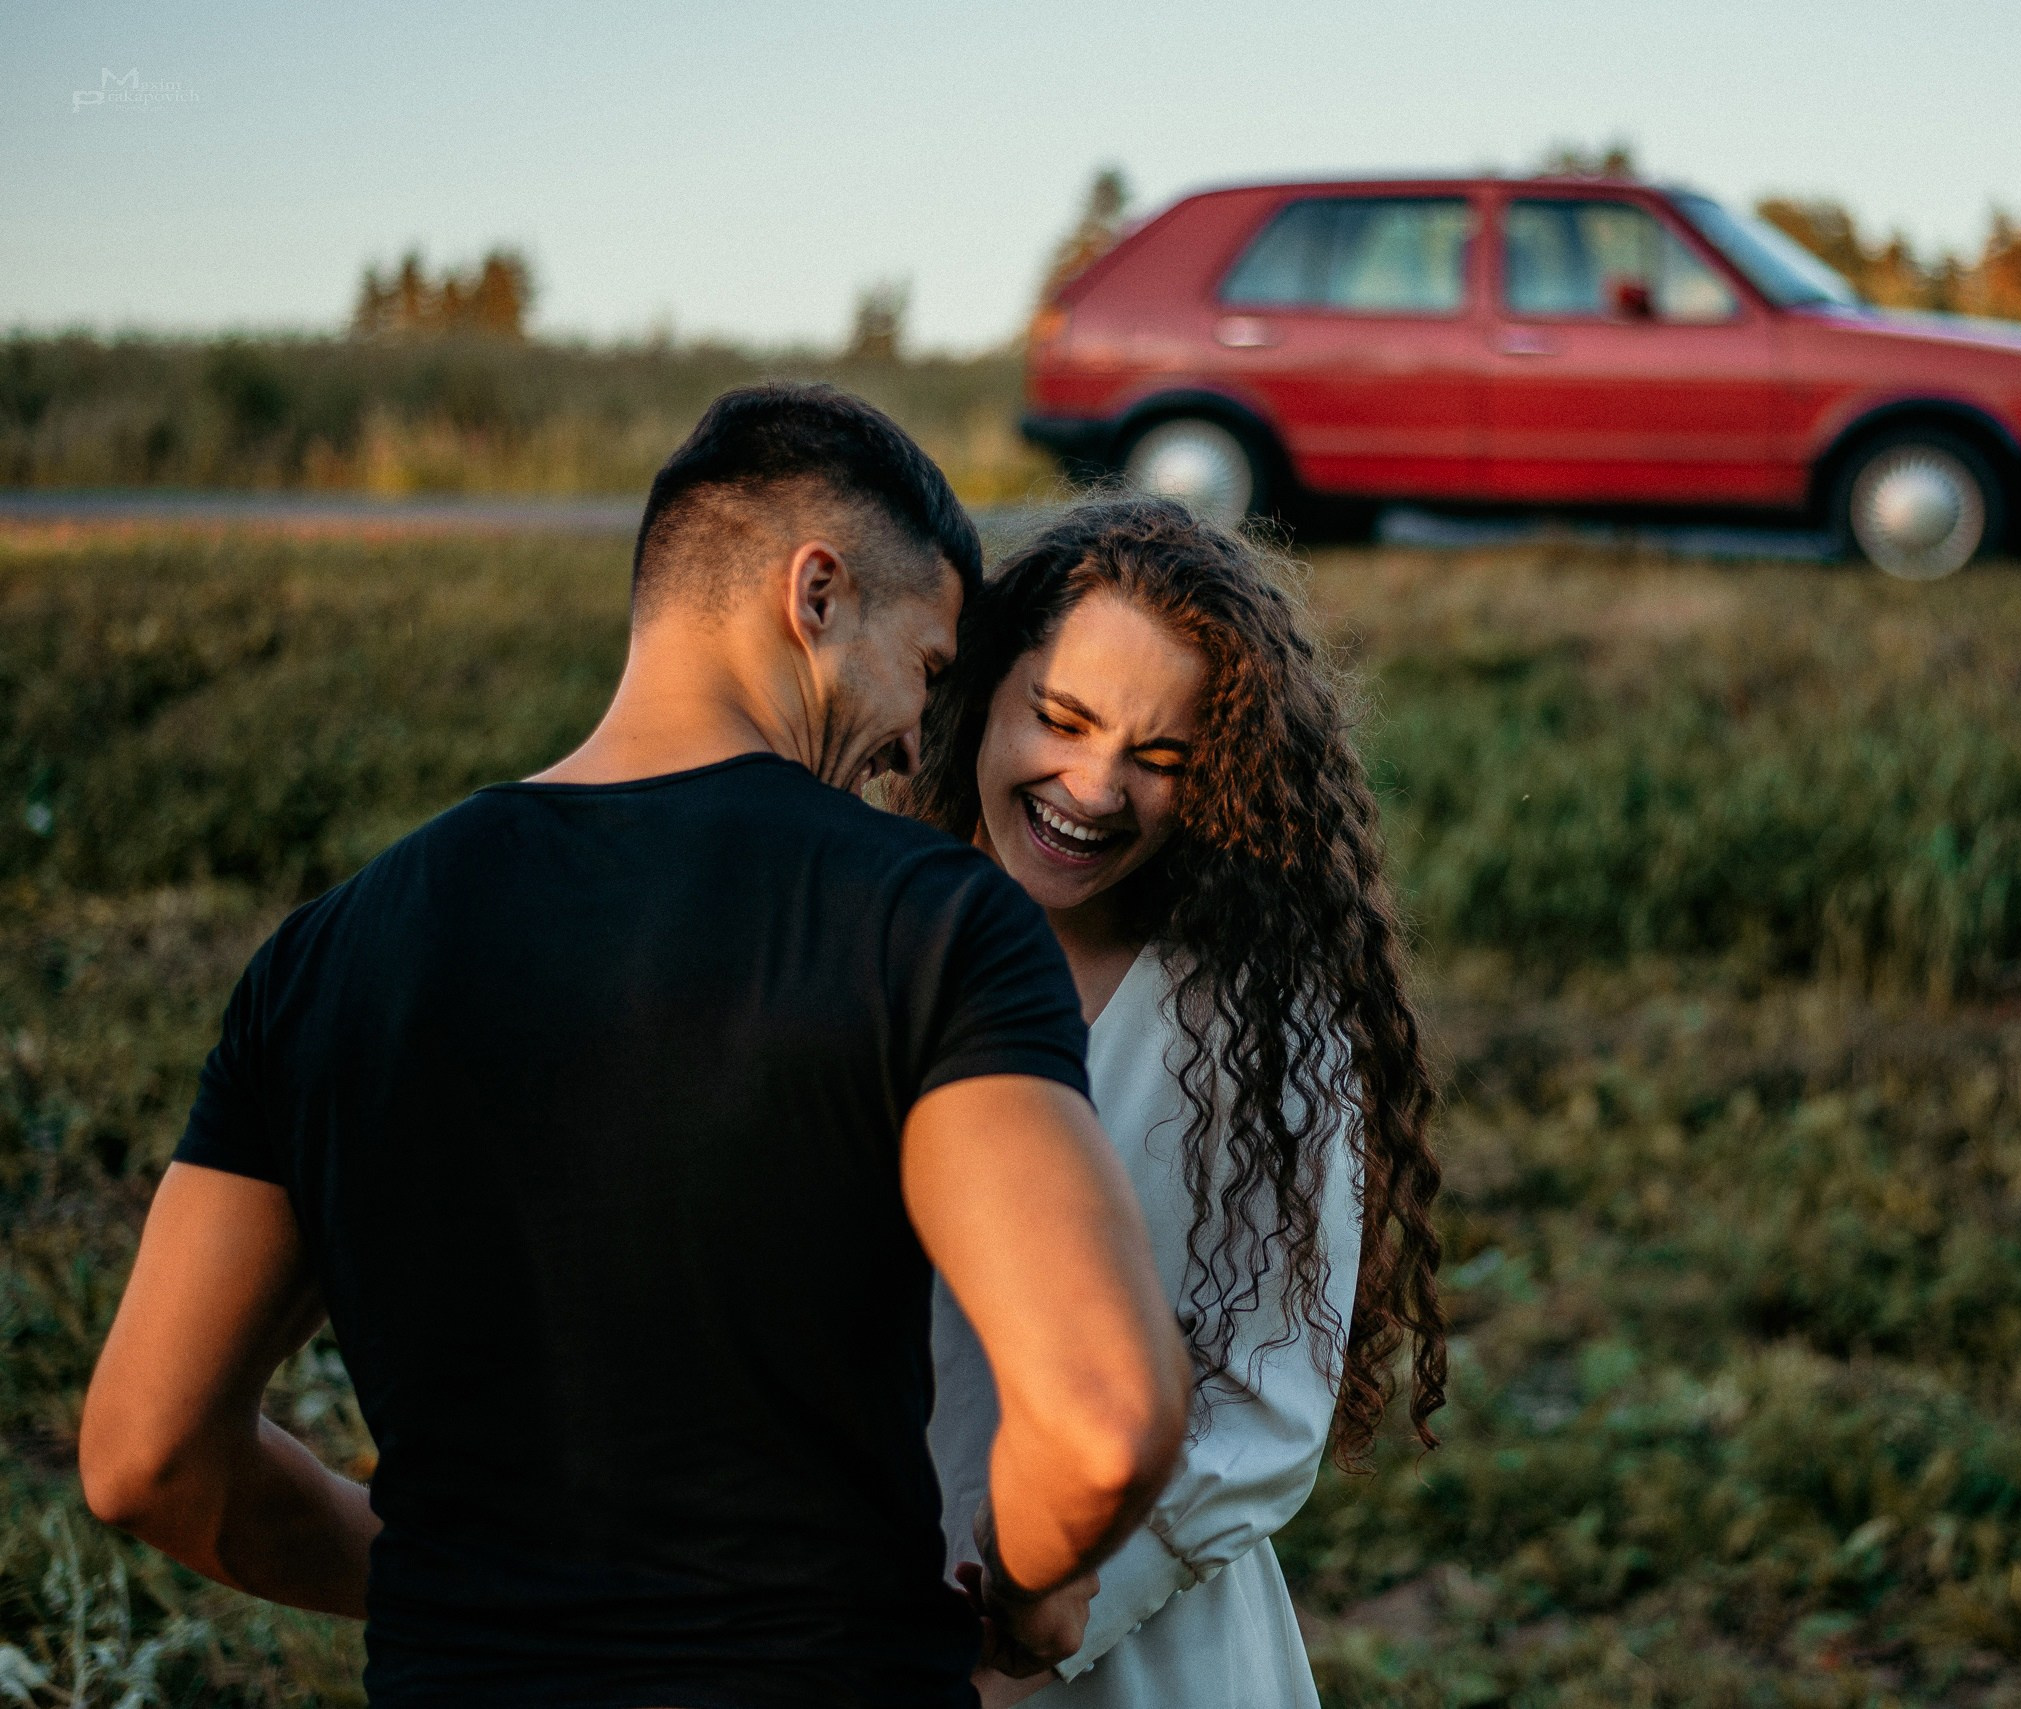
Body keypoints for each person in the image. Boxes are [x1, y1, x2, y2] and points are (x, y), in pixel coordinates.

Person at [77, 384, 1192, 1709]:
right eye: (933, 671)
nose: (915, 744)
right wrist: (1031, 1587)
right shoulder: (931, 922)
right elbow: (1103, 1420)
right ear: (816, 594)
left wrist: (458, 1581)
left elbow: (144, 1456)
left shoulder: (325, 957)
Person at [904, 498, 1448, 1708]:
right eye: (1060, 719)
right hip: (853, 1624)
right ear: (982, 689)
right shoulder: (867, 937)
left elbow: (1266, 1407)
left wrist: (1026, 1640)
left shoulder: (1258, 1021)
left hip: (1140, 1660)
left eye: (1160, 759)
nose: (1089, 789)